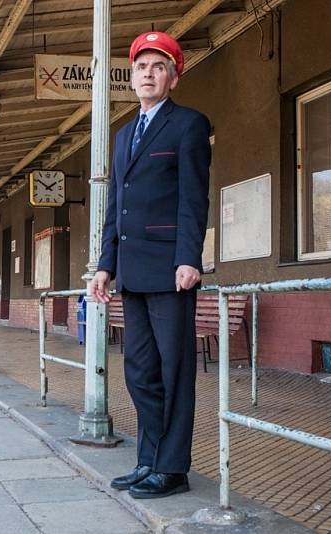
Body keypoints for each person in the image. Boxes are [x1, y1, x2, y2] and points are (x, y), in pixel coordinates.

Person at [91, 32, 211, 499]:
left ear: (173, 78)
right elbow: (114, 205)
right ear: (132, 76)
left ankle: (173, 469)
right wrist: (105, 265)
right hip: (132, 273)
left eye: (158, 66)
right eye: (141, 66)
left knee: (174, 371)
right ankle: (148, 460)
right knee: (139, 370)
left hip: (170, 273)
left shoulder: (188, 125)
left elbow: (192, 199)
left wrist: (188, 258)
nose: (148, 73)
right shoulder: (123, 135)